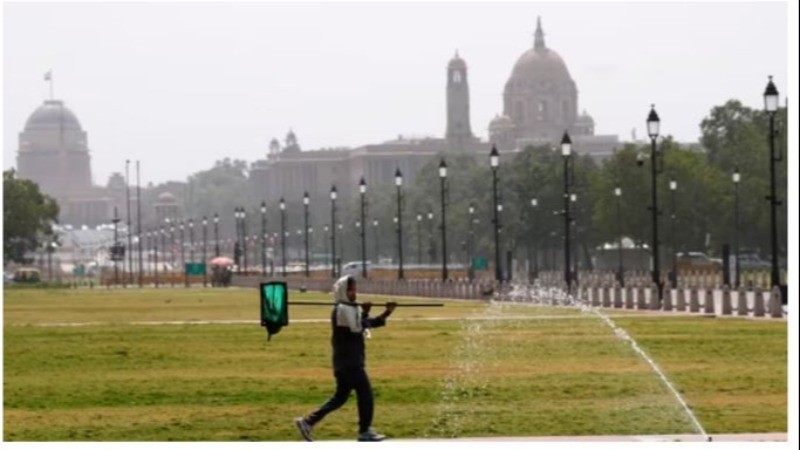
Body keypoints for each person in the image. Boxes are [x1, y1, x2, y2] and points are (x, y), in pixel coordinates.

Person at [294, 275, 397, 442]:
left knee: (340, 397)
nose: (354, 292)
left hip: (346, 362)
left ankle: (308, 422)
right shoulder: (341, 310)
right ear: (343, 291)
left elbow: (367, 323)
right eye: (351, 289)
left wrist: (387, 312)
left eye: (355, 289)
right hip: (350, 363)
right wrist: (366, 311)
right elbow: (356, 329)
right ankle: (365, 431)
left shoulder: (350, 309)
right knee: (366, 394)